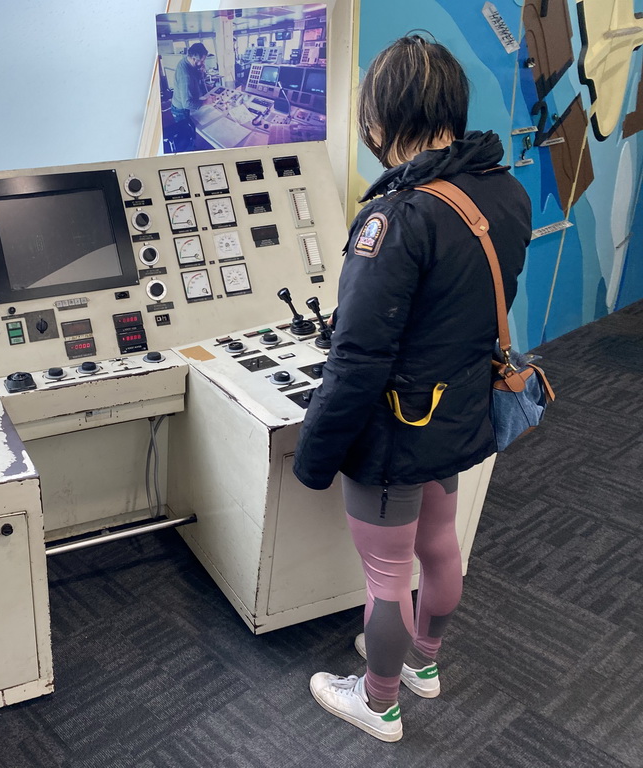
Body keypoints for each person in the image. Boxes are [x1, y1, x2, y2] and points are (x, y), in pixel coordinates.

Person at [293, 34, 532, 742]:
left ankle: (379, 700)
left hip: (396, 431)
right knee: (439, 548)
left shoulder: (393, 219)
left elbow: (358, 360)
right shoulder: (503, 190)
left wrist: (314, 456)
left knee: (385, 576)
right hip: (458, 414)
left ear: (381, 117)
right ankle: (424, 661)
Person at [170, 43, 210, 151]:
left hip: (183, 104)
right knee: (187, 136)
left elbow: (197, 77)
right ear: (193, 58)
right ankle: (190, 153)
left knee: (191, 132)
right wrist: (206, 102)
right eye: (201, 61)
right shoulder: (185, 75)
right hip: (181, 110)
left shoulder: (188, 62)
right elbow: (187, 104)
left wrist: (201, 71)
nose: (203, 63)